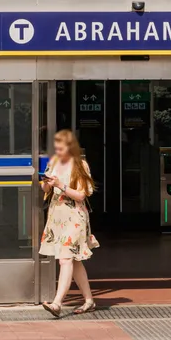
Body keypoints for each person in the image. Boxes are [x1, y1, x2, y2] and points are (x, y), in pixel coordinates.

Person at [38, 128, 96, 317]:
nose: (58, 152)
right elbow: (46, 189)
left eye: (61, 148)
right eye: (56, 148)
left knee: (65, 259)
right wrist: (47, 183)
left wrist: (61, 185)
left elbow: (81, 195)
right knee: (74, 261)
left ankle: (57, 303)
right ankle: (89, 300)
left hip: (75, 218)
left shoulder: (81, 165)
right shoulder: (54, 162)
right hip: (57, 217)